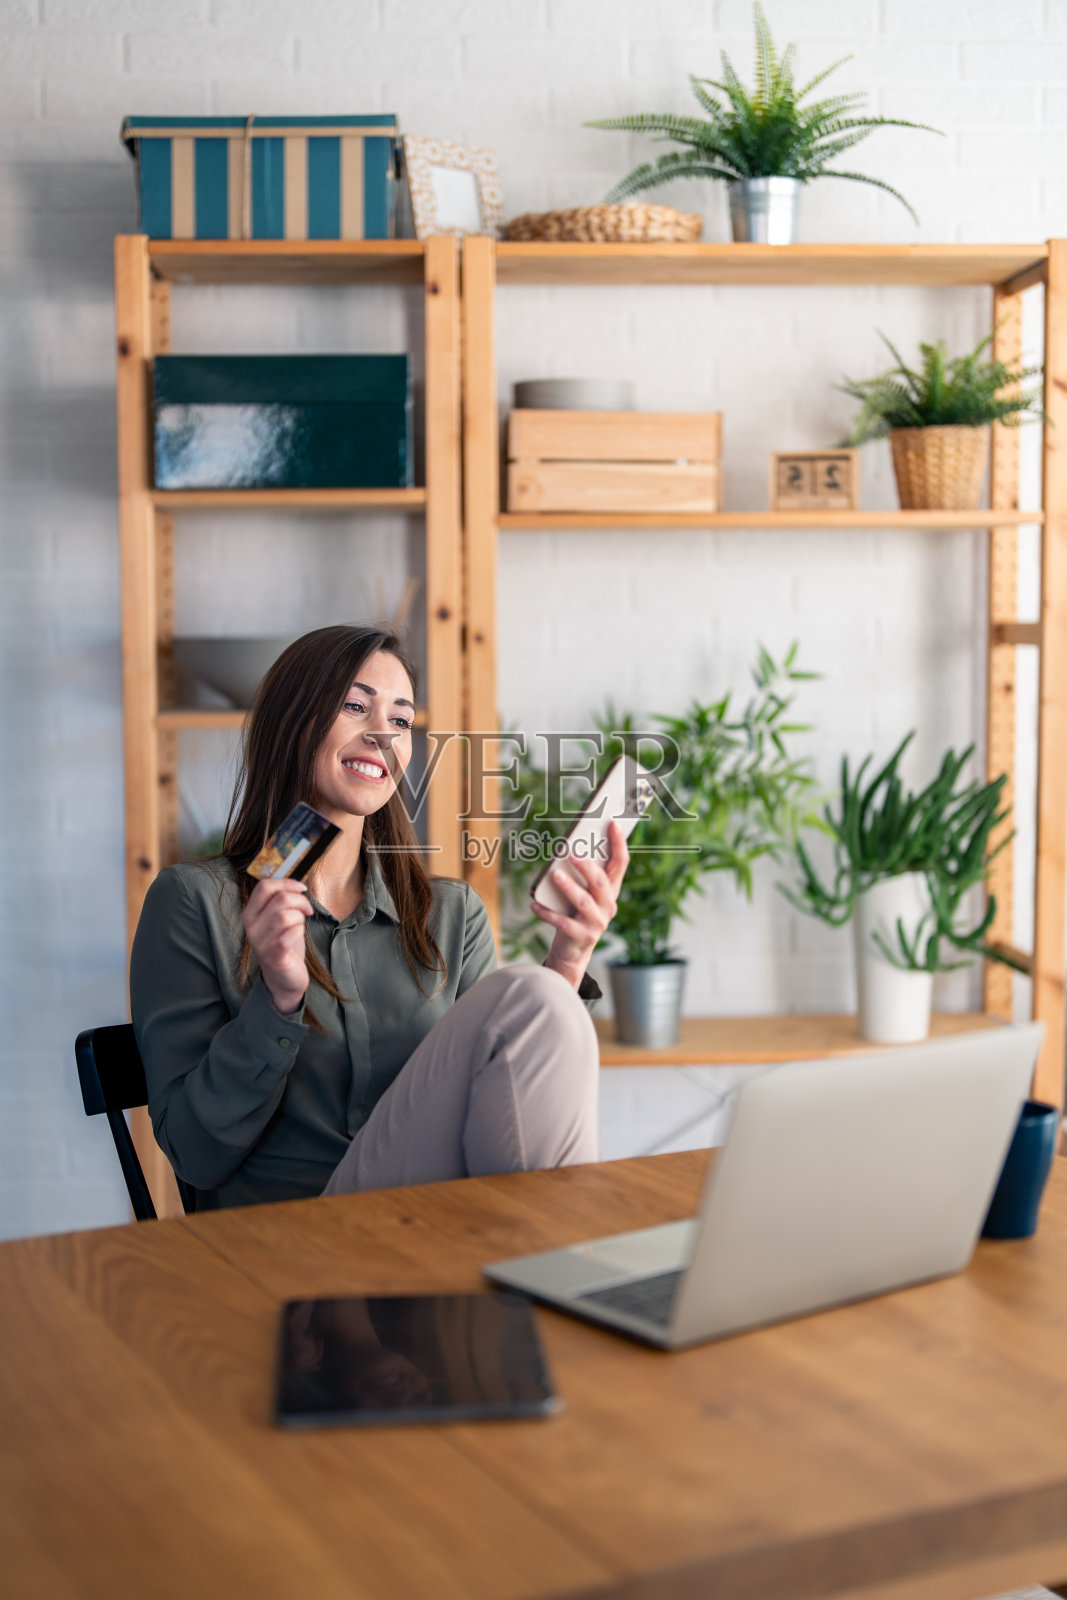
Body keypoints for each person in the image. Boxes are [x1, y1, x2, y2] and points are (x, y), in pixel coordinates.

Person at [130, 624, 630, 1210]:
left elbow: (501, 1091)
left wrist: (567, 960)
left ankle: (542, 1267)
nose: (382, 735)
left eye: (400, 720)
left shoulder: (450, 912)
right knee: (533, 994)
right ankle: (555, 1271)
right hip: (291, 1238)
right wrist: (279, 999)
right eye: (353, 705)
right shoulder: (194, 902)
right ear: (292, 721)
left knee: (539, 996)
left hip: (433, 1222)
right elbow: (194, 1154)